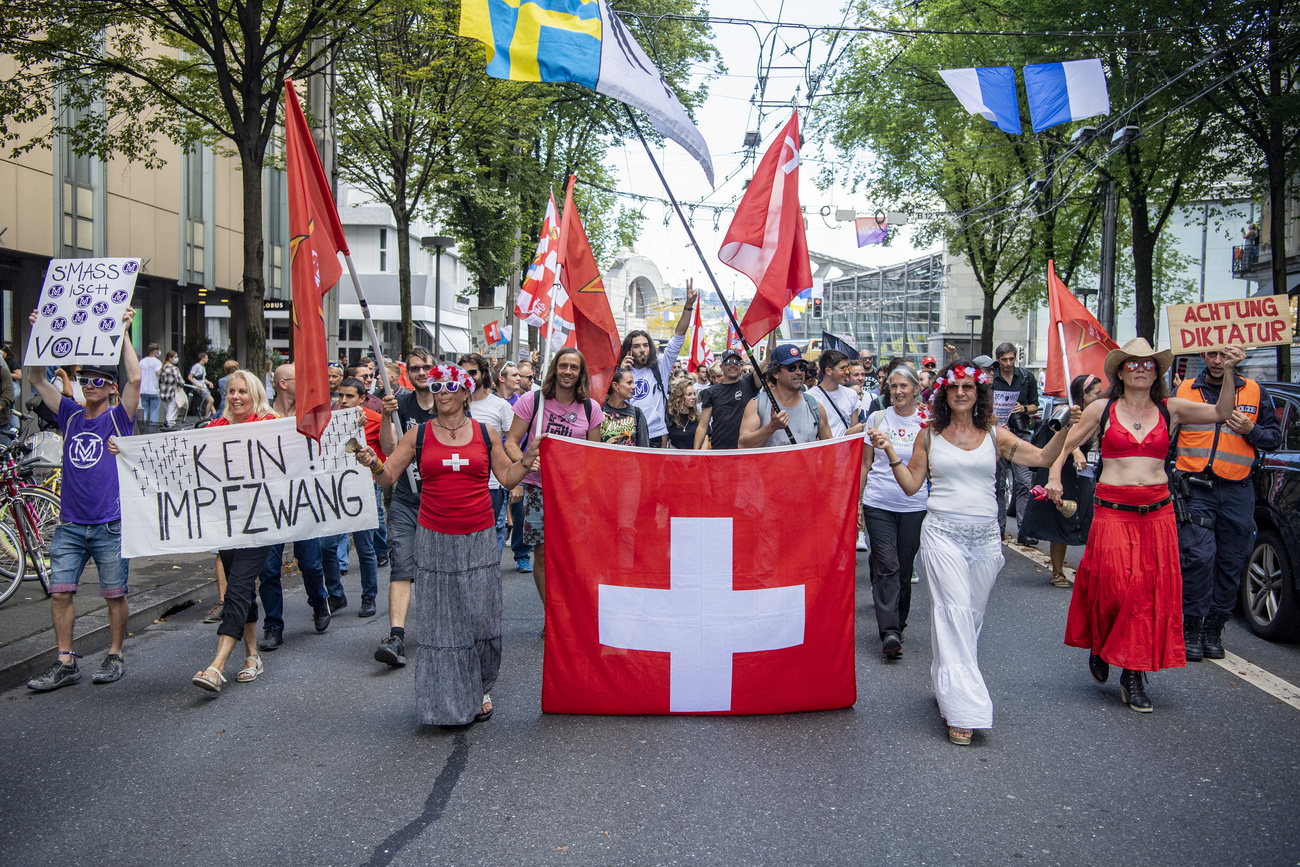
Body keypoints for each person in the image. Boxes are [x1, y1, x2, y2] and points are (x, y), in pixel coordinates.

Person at [869, 360, 1078, 745]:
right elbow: (913, 487)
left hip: (985, 539)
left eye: (968, 387)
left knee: (970, 618)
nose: (961, 393)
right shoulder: (928, 436)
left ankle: (944, 681)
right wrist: (890, 455)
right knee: (954, 612)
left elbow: (1044, 459)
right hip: (941, 534)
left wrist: (1066, 425)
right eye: (954, 387)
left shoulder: (995, 434)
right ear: (944, 393)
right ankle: (965, 709)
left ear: (978, 393)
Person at [1047, 340, 1247, 712]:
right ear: (1120, 372)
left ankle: (1133, 675)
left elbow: (1222, 411)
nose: (1141, 369)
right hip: (1112, 513)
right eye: (1133, 364)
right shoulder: (1101, 409)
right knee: (1114, 589)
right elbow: (1063, 446)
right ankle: (1102, 644)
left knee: (1144, 595)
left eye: (1149, 365)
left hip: (1157, 515)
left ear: (1157, 373)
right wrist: (1056, 474)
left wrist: (1232, 370)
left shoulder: (1171, 409)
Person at [356, 364, 542, 726]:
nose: (442, 391)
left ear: (465, 391)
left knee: (480, 618)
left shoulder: (485, 433)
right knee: (442, 624)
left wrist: (528, 462)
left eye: (451, 385)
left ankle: (481, 686)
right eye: (437, 385)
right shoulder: (419, 434)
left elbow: (506, 477)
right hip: (434, 537)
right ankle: (444, 700)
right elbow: (388, 477)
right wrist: (372, 463)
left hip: (479, 537)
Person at [24, 308, 141, 692]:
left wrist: (124, 331)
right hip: (71, 523)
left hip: (109, 522)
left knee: (114, 594)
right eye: (83, 379)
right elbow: (37, 378)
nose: (88, 385)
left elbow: (136, 377)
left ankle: (115, 654)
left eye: (98, 381)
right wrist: (41, 332)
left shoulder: (119, 419)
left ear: (110, 388)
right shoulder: (70, 414)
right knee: (59, 592)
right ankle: (65, 661)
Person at [1174, 347, 1281, 661]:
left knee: (1231, 561)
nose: (1218, 361)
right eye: (1211, 354)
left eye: (1224, 355)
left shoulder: (1254, 391)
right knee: (1198, 557)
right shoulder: (1184, 390)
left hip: (1237, 490)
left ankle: (1213, 630)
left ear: (1237, 357)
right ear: (1203, 357)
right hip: (1194, 489)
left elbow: (1272, 438)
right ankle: (1191, 627)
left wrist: (1251, 430)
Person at [190, 370, 277, 693]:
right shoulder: (215, 428)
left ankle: (217, 665)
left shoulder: (271, 425)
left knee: (237, 588)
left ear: (255, 395)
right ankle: (252, 656)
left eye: (243, 391)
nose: (236, 397)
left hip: (261, 522)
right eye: (231, 392)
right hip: (226, 522)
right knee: (242, 588)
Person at [254, 363, 347, 651]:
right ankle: (273, 625)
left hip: (304, 501)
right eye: (300, 377)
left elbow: (336, 437)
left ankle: (319, 602)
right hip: (270, 504)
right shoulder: (261, 418)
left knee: (310, 562)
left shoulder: (312, 416)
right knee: (268, 569)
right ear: (282, 384)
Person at [505, 348, 604, 605]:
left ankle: (573, 611)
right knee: (542, 553)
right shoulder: (532, 400)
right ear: (554, 369)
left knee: (575, 554)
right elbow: (512, 443)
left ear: (581, 373)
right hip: (539, 490)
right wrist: (526, 462)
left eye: (574, 367)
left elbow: (595, 456)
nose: (568, 372)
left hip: (576, 493)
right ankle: (553, 615)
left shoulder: (591, 408)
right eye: (563, 366)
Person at [860, 364, 929, 660]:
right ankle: (889, 631)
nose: (897, 391)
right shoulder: (877, 419)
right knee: (887, 566)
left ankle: (898, 623)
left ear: (916, 389)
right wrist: (858, 503)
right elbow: (864, 465)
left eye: (903, 386)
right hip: (879, 503)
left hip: (914, 506)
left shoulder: (929, 422)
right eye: (893, 386)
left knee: (903, 567)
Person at [375, 347, 438, 667]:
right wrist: (387, 415)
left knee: (435, 569)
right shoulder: (399, 404)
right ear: (408, 374)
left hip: (439, 501)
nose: (422, 372)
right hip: (405, 499)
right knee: (401, 563)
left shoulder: (447, 402)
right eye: (415, 368)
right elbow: (388, 449)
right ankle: (396, 636)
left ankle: (438, 629)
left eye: (427, 367)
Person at [1020, 374, 1105, 588]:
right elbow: (1058, 434)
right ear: (1082, 395)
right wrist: (1075, 451)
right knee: (1061, 521)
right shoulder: (1065, 410)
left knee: (1089, 523)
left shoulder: (1100, 414)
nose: (1100, 396)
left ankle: (1094, 573)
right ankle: (1057, 572)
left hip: (1086, 477)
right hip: (1063, 473)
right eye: (1096, 393)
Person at [619, 286, 697, 447]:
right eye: (637, 346)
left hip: (656, 433)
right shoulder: (620, 370)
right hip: (627, 433)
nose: (642, 350)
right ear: (629, 350)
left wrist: (688, 306)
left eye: (645, 345)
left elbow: (678, 338)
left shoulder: (660, 366)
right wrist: (620, 372)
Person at [334, 377, 385, 618]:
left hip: (365, 488)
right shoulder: (330, 419)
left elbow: (386, 452)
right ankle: (335, 594)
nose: (343, 401)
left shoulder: (375, 420)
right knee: (326, 545)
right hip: (335, 489)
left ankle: (368, 597)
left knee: (365, 546)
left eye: (349, 396)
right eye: (340, 396)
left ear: (362, 398)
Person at [461, 353, 514, 556]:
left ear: (483, 373)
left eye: (472, 372)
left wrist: (515, 481)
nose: (467, 377)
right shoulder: (453, 403)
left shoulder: (500, 405)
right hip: (461, 483)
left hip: (492, 483)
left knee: (493, 531)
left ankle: (490, 578)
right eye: (462, 372)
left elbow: (511, 443)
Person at [988, 343, 1039, 546]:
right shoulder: (992, 379)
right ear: (998, 359)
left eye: (1011, 359)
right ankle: (998, 529)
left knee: (1024, 483)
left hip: (1020, 436)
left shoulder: (1026, 377)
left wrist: (1024, 408)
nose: (1008, 363)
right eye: (1004, 360)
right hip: (997, 436)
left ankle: (1024, 531)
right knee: (998, 485)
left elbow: (1035, 406)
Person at [739, 345, 832, 448]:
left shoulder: (815, 407)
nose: (798, 372)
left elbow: (830, 451)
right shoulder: (757, 405)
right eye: (791, 368)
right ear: (775, 373)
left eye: (801, 367)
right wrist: (771, 427)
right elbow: (742, 445)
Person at [695, 337, 773, 450]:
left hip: (746, 450)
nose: (732, 365)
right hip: (720, 452)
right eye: (728, 362)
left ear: (741, 365)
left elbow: (768, 359)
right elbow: (703, 426)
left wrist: (772, 330)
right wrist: (695, 453)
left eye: (736, 362)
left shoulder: (750, 383)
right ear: (721, 367)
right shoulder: (710, 392)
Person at [811, 350, 864, 438]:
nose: (847, 372)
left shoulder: (851, 395)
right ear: (828, 371)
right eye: (843, 368)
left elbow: (854, 431)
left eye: (848, 368)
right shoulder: (810, 397)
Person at [600, 368, 649, 446]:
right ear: (615, 385)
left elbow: (644, 448)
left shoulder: (637, 413)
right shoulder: (599, 411)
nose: (634, 387)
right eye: (629, 383)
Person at [666, 379, 700, 450]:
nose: (693, 397)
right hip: (674, 458)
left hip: (694, 458)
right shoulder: (669, 418)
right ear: (680, 396)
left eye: (694, 394)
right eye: (689, 394)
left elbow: (705, 441)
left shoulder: (698, 418)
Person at [138, 343, 162, 432]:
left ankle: (142, 430)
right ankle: (152, 431)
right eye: (158, 351)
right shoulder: (157, 362)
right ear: (156, 351)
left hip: (143, 390)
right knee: (154, 412)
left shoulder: (142, 361)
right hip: (154, 391)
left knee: (144, 411)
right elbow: (158, 373)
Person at [158, 350, 185, 430]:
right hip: (172, 393)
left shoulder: (162, 368)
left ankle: (168, 425)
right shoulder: (174, 369)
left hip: (163, 394)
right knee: (172, 413)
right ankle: (170, 428)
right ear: (170, 358)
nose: (177, 359)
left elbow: (159, 381)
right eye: (175, 357)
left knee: (169, 411)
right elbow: (180, 381)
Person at [189, 352, 215, 419]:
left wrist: (209, 383)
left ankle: (214, 415)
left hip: (203, 386)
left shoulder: (203, 368)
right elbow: (190, 377)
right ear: (203, 358)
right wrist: (197, 385)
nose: (207, 359)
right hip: (200, 387)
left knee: (209, 401)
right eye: (207, 358)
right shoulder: (196, 366)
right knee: (211, 400)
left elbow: (204, 378)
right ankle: (206, 417)